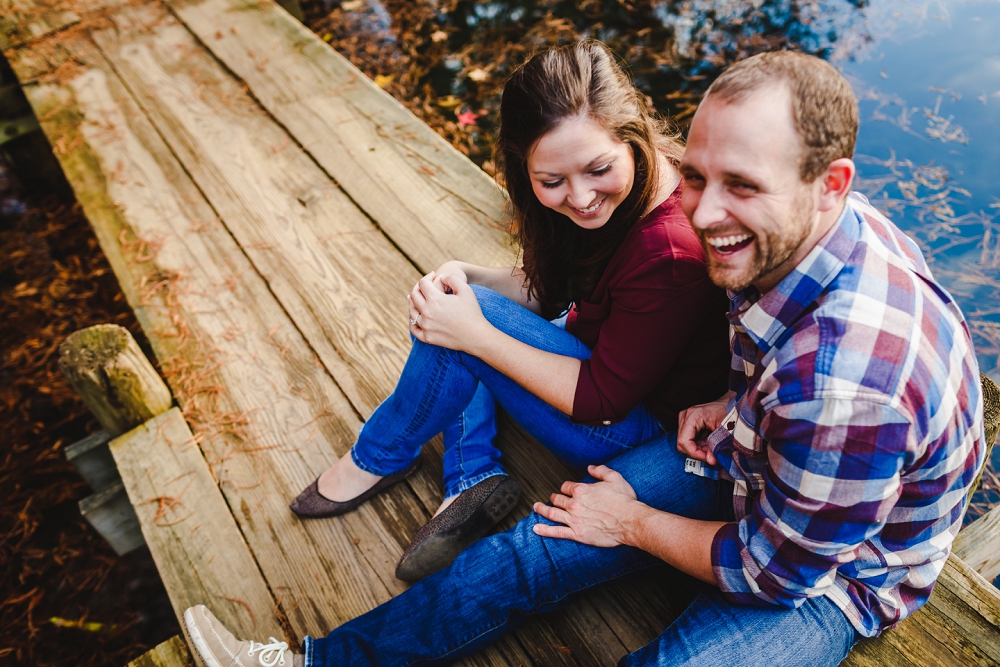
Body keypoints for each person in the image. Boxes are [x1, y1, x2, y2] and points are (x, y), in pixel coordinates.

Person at [182, 50, 985, 667]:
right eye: (696, 176)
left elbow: (773, 572)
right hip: (757, 451)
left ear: (829, 184)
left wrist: (633, 522)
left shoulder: (846, 390)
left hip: (834, 573)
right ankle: (314, 660)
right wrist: (738, 403)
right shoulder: (803, 231)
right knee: (535, 547)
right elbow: (765, 351)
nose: (702, 213)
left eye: (739, 184)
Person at [287, 40, 731, 583]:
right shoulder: (605, 196)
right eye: (552, 182)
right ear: (526, 168)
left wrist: (476, 333)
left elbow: (602, 398)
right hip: (595, 354)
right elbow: (549, 293)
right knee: (465, 311)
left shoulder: (669, 250)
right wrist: (466, 275)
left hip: (642, 425)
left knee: (471, 331)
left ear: (632, 137)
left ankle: (380, 457)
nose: (582, 197)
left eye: (597, 169)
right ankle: (471, 474)